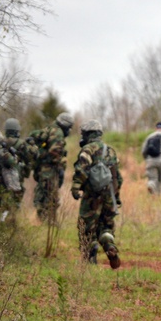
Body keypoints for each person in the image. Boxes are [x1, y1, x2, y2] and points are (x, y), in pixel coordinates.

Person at [70, 119, 122, 269]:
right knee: (106, 226)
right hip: (109, 195)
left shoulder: (88, 149)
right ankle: (110, 246)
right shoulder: (111, 150)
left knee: (86, 227)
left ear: (87, 134)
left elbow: (81, 170)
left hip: (91, 197)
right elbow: (117, 177)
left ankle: (90, 260)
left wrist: (75, 187)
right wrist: (116, 197)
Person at [26, 112, 73, 223]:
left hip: (42, 168)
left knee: (43, 193)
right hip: (50, 169)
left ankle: (40, 220)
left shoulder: (50, 128)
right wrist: (60, 165)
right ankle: (50, 223)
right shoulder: (58, 133)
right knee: (51, 196)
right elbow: (55, 152)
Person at [3, 117, 30, 207]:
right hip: (18, 175)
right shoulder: (22, 143)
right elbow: (28, 159)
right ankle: (12, 217)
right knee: (16, 201)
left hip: (3, 176)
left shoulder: (2, 142)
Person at [141, 121, 161, 195]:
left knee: (153, 179)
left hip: (151, 161)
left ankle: (151, 186)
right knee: (160, 179)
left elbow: (144, 150)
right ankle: (158, 195)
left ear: (156, 128)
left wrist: (146, 159)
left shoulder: (149, 136)